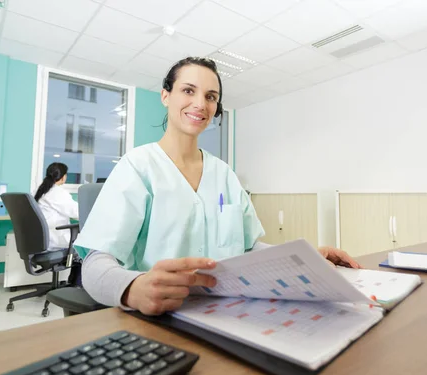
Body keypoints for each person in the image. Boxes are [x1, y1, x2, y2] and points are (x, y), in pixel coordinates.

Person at [74, 57, 361, 316]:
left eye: (211, 96)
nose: (200, 104)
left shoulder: (223, 174)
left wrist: (305, 259)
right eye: (188, 90)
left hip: (230, 312)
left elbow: (249, 247)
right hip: (160, 317)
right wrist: (132, 288)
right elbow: (95, 266)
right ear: (165, 95)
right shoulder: (138, 166)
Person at [34, 162, 79, 249]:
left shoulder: (39, 191)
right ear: (63, 177)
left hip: (42, 240)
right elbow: (78, 213)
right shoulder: (58, 193)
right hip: (56, 240)